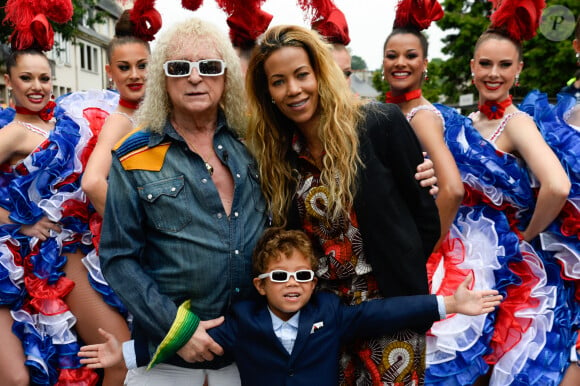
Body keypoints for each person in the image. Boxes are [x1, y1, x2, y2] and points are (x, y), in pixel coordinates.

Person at [244, 24, 441, 385]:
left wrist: (400, 266)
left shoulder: (378, 124)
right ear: (267, 91)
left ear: (320, 73)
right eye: (278, 81)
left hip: (390, 305)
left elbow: (426, 216)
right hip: (322, 315)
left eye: (302, 75)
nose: (293, 90)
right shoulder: (277, 153)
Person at [80, 228, 502, 386]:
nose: (293, 285)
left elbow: (383, 312)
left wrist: (449, 303)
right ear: (261, 286)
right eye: (280, 277)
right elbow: (193, 340)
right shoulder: (242, 318)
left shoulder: (329, 311)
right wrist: (127, 353)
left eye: (302, 276)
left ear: (314, 281)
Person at [97, 17, 268, 386]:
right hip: (164, 362)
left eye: (209, 67)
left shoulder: (256, 146)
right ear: (162, 77)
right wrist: (179, 329)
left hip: (249, 359)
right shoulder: (133, 154)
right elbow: (117, 256)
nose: (195, 78)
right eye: (179, 68)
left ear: (226, 77)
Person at [429, 1, 575, 384]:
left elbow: (557, 186)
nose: (494, 74)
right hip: (454, 255)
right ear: (472, 66)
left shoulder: (517, 121)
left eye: (504, 65)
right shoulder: (462, 123)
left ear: (519, 71)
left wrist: (526, 234)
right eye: (485, 64)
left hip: (501, 264)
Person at [0, 1, 124, 384]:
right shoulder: (15, 131)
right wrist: (16, 224)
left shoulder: (64, 118)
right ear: (9, 81)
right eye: (26, 79)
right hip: (15, 262)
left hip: (64, 250)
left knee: (116, 355)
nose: (37, 87)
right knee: (19, 379)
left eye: (44, 78)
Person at [383, 0, 463, 248]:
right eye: (392, 56)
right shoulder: (393, 110)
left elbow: (452, 189)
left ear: (425, 64)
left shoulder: (421, 117)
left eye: (411, 56)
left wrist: (427, 246)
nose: (400, 63)